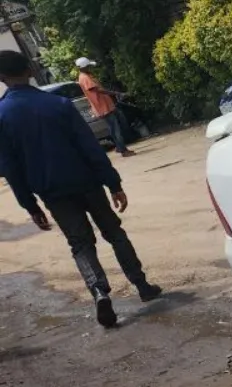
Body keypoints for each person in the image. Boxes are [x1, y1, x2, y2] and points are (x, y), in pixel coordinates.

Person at [0, 50, 161, 328]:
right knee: (114, 232)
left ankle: (99, 291)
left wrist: (30, 205)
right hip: (86, 181)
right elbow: (90, 147)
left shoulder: (3, 116)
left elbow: (10, 168)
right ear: (29, 70)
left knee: (80, 243)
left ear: (2, 78)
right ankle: (142, 285)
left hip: (52, 192)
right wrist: (113, 183)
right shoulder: (59, 105)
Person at [74, 58, 134, 157]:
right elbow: (98, 90)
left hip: (106, 105)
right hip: (103, 107)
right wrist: (116, 93)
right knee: (115, 129)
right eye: (88, 66)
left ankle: (119, 147)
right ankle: (123, 150)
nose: (90, 68)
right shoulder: (84, 78)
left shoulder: (86, 76)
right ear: (84, 67)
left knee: (114, 127)